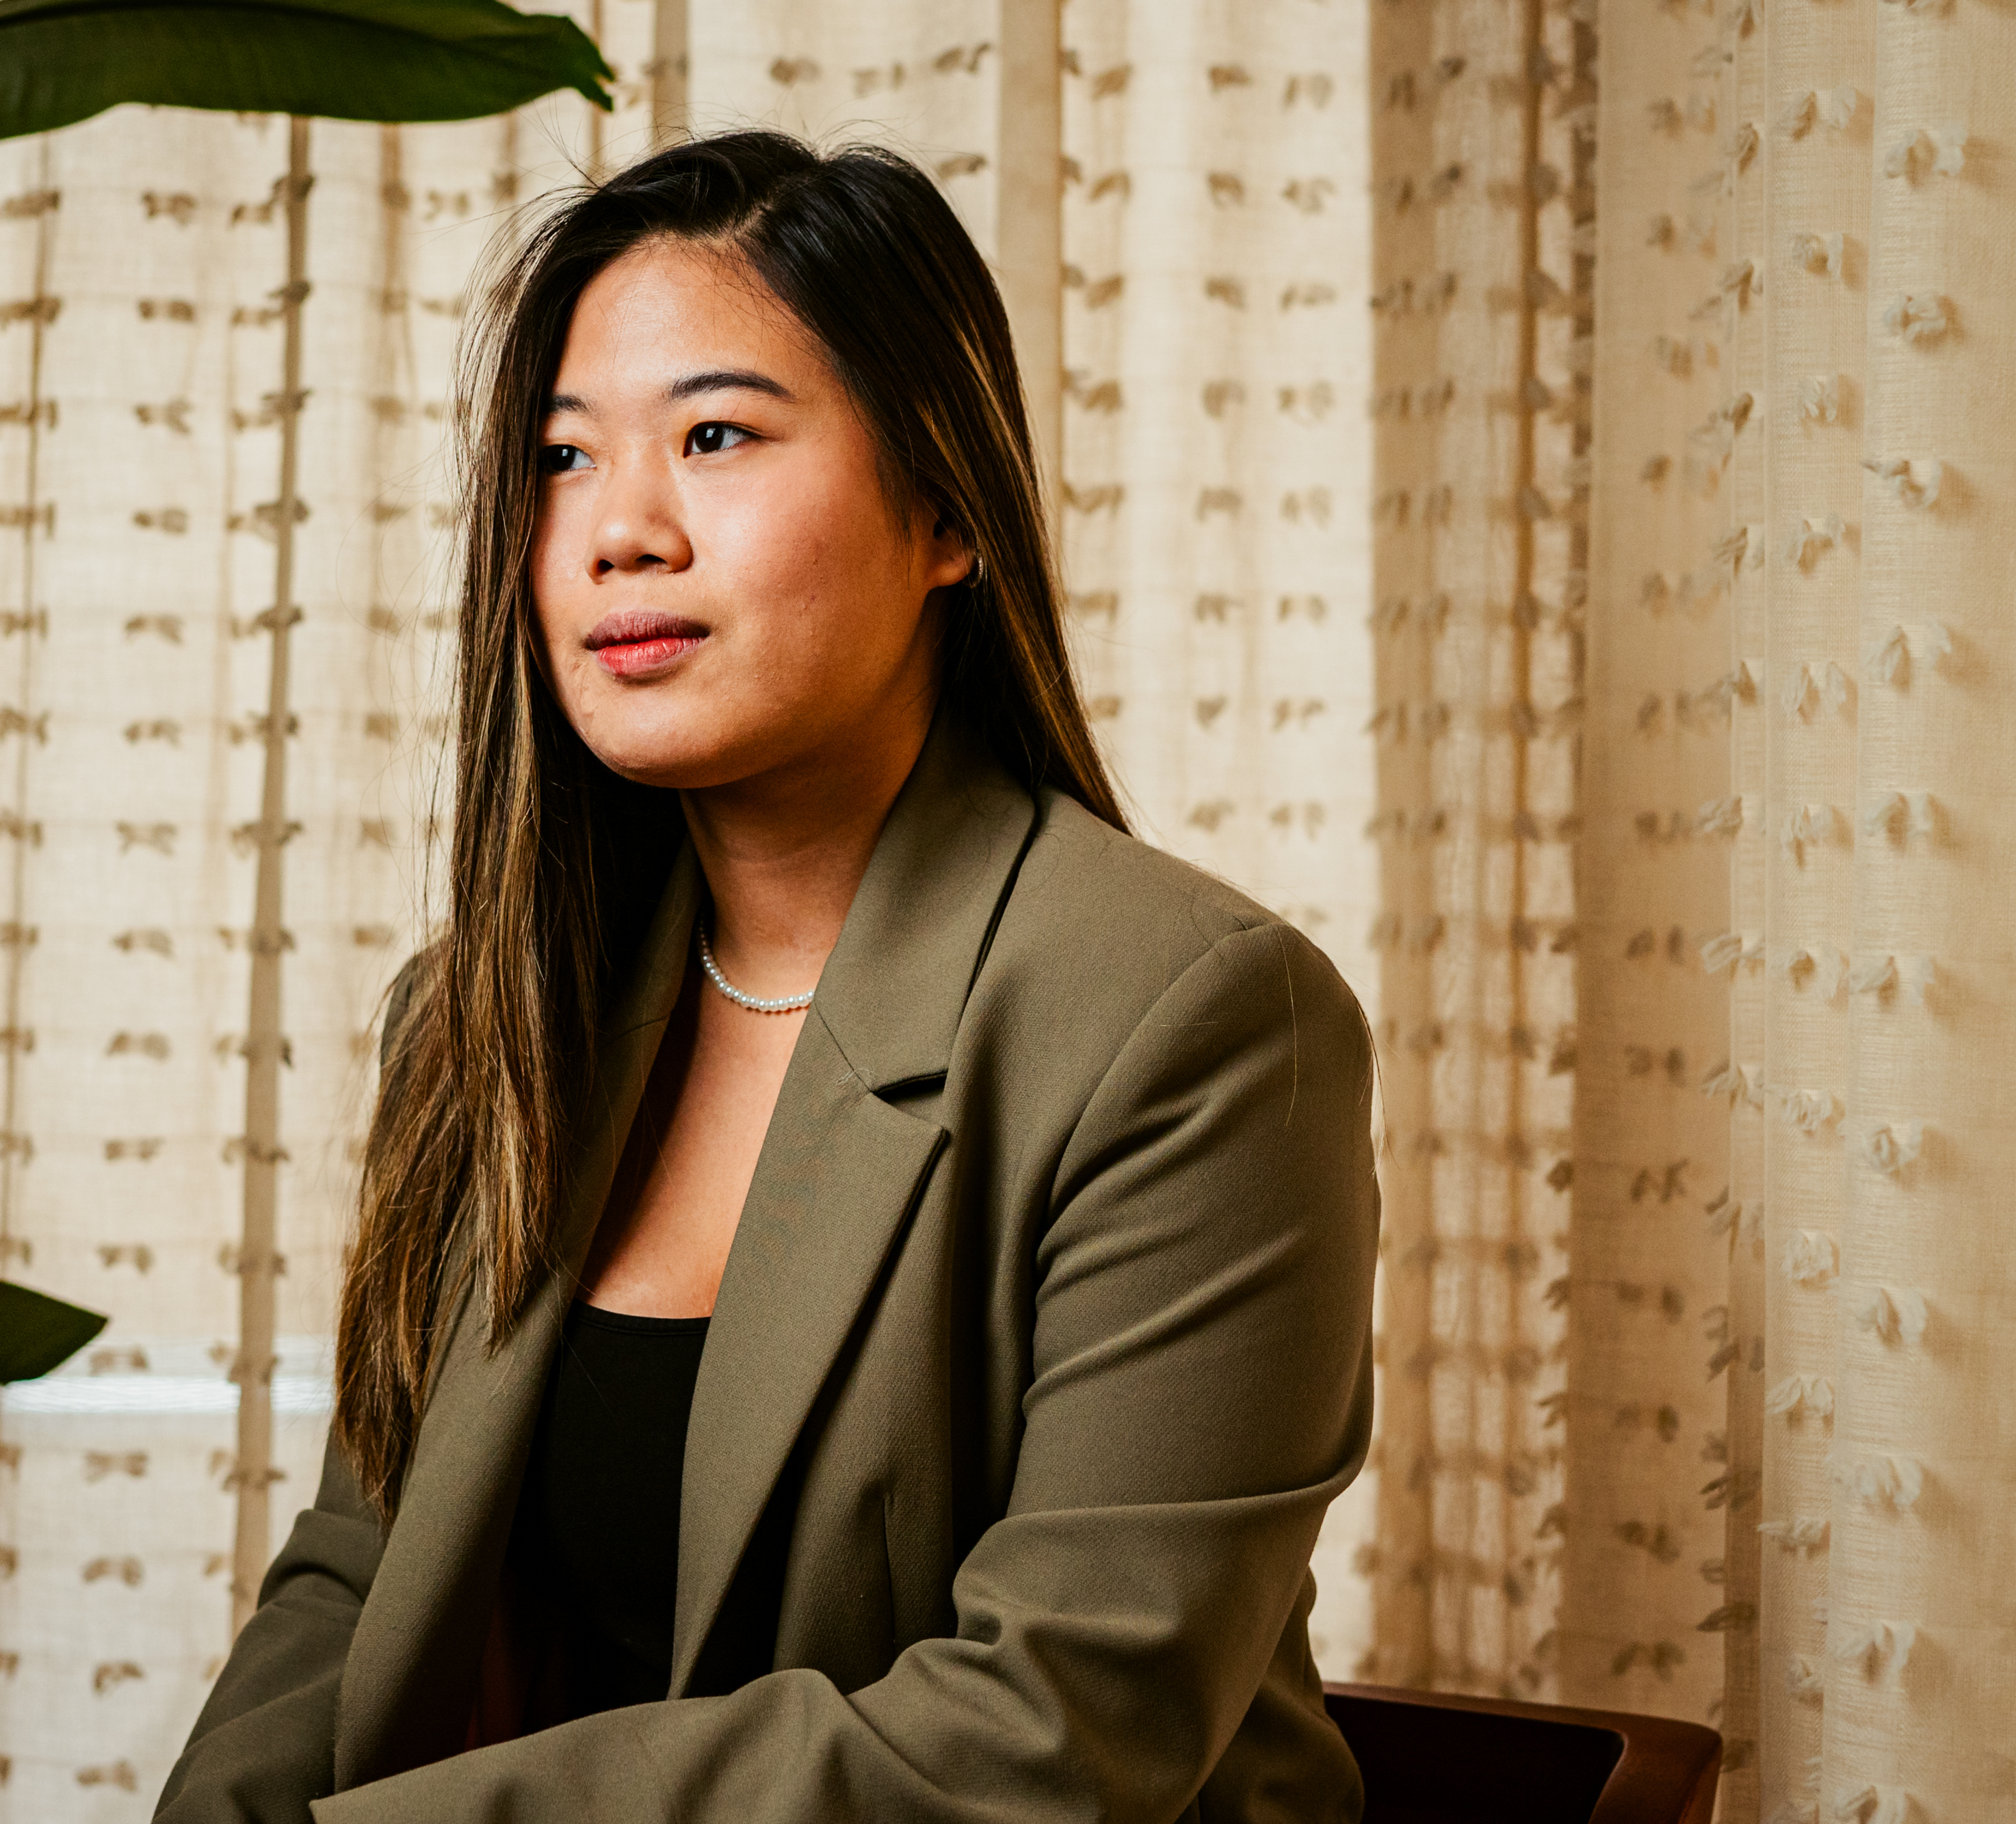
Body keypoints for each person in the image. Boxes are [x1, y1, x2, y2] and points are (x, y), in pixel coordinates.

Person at [156, 129, 1377, 1824]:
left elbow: (1056, 1727)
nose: (617, 531)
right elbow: (363, 1569)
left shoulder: (1195, 1019)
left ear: (944, 507)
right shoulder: (475, 1014)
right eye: (564, 458)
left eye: (714, 436)